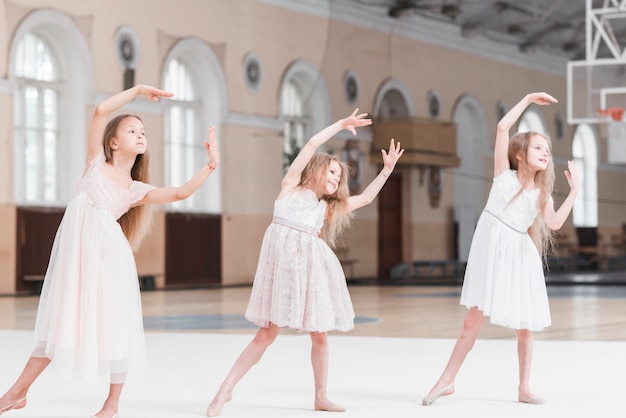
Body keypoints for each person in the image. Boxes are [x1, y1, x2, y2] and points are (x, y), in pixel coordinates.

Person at [0, 84, 220, 418]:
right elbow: (100, 111)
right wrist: (136, 91)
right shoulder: (95, 163)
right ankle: (17, 393)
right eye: (132, 129)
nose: (140, 133)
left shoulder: (135, 189)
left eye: (143, 131)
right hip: (77, 260)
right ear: (113, 142)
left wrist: (211, 166)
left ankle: (112, 404)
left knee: (117, 324)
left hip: (110, 260)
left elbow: (179, 193)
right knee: (60, 322)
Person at [206, 109, 403, 416]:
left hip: (309, 271)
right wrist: (340, 124)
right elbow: (311, 144)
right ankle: (225, 390)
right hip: (281, 270)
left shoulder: (325, 208)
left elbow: (364, 199)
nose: (336, 179)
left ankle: (321, 396)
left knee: (319, 335)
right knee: (266, 334)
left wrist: (386, 171)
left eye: (339, 177)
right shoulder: (291, 186)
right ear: (317, 171)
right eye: (332, 173)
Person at [422, 92, 579, 407]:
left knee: (526, 325)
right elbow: (502, 127)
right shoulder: (502, 176)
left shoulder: (541, 194)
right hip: (492, 252)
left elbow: (556, 222)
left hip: (520, 256)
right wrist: (529, 99)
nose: (545, 153)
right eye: (538, 147)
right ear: (519, 154)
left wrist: (574, 192)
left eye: (547, 149)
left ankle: (524, 387)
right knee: (472, 320)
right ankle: (446, 380)